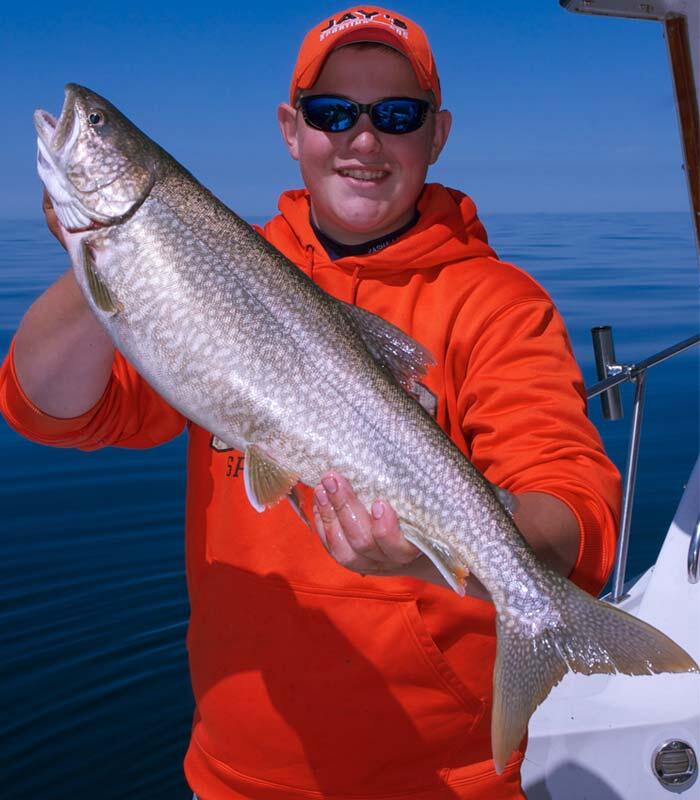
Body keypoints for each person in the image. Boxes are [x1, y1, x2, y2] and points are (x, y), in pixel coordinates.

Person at [0, 6, 621, 799]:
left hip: (439, 782)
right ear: (292, 129)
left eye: (397, 115)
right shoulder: (216, 265)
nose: (363, 140)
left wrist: (474, 559)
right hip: (232, 775)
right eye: (334, 114)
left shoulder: (498, 304)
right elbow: (51, 411)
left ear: (438, 134)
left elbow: (575, 506)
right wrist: (102, 255)